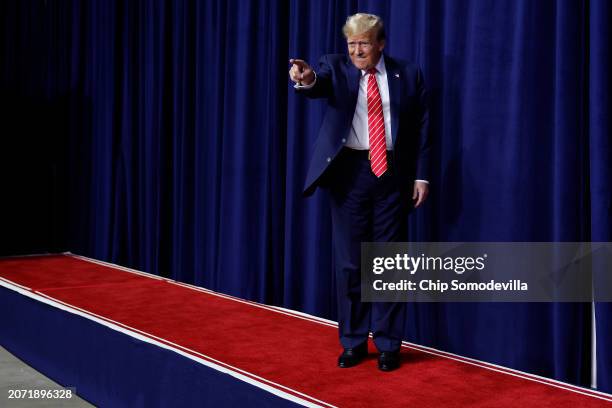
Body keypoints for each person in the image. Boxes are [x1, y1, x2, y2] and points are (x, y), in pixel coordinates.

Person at [289, 13, 430, 372]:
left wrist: (421, 176)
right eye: (351, 44)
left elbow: (421, 127)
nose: (356, 51)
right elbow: (317, 83)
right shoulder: (335, 67)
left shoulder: (407, 74)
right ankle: (353, 341)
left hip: (391, 175)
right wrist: (306, 80)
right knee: (351, 262)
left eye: (363, 43)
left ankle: (388, 344)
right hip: (349, 175)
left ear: (380, 44)